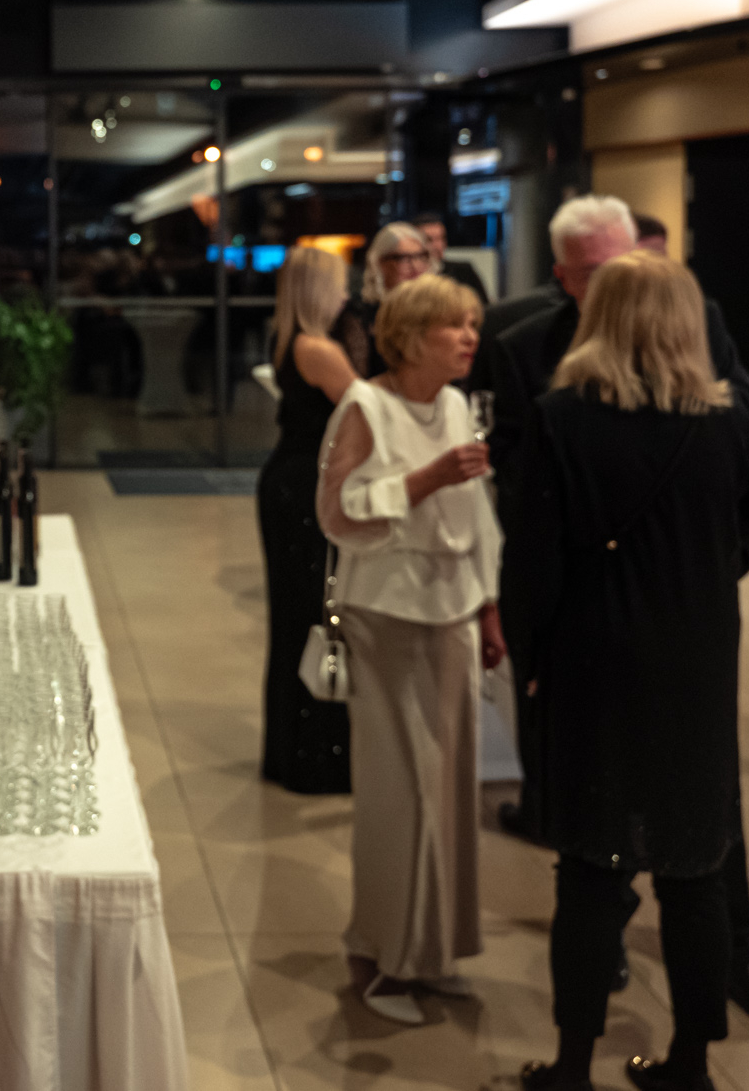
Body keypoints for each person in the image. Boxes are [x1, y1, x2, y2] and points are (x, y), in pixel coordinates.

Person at [489, 194, 749, 1034]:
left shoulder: (689, 371)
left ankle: (714, 976)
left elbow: (538, 551)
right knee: (627, 848)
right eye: (594, 267)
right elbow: (524, 501)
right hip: (651, 631)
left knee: (683, 841)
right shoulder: (526, 352)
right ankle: (672, 1035)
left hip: (633, 632)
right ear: (564, 277)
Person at [315, 273, 505, 1025]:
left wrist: (489, 608)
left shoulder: (456, 404)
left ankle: (432, 951)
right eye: (454, 325)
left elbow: (478, 516)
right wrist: (424, 478)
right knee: (401, 790)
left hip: (452, 609)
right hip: (386, 614)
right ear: (410, 336)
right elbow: (337, 513)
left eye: (472, 325)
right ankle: (385, 957)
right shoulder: (366, 405)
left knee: (452, 786)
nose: (469, 338)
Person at [256, 247, 361, 794]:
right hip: (305, 489)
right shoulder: (318, 348)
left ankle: (292, 750)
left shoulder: (289, 340)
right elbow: (366, 411)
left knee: (296, 616)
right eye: (340, 285)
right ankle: (314, 756)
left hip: (290, 482)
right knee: (313, 614)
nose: (347, 295)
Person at [332, 221, 432, 377]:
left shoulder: (437, 310)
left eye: (420, 256)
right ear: (380, 263)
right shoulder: (360, 314)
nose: (415, 266)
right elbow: (359, 380)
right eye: (403, 258)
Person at [415, 210, 491, 303]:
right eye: (429, 239)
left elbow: (484, 308)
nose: (438, 245)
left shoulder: (463, 272)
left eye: (441, 238)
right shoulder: (412, 274)